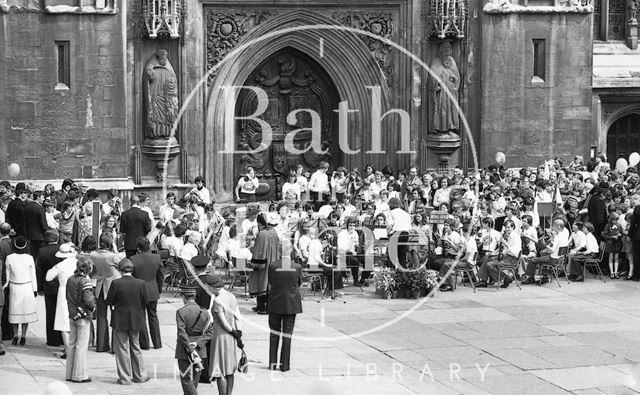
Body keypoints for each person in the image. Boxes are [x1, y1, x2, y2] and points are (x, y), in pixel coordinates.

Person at [106, 259, 149, 385]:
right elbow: (146, 301)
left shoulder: (116, 283)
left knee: (122, 349)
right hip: (136, 319)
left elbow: (109, 301)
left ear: (120, 270)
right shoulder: (141, 283)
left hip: (120, 319)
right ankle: (139, 375)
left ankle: (125, 377)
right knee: (136, 347)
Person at [267, 249, 302, 372]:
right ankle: (285, 365)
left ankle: (272, 363)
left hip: (275, 301)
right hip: (290, 303)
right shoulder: (297, 266)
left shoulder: (272, 265)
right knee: (287, 335)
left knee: (274, 334)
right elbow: (299, 283)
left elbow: (270, 281)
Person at [175, 285, 213, 395]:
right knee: (195, 378)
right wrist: (198, 343)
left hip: (185, 348)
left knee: (186, 380)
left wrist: (190, 348)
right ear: (195, 297)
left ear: (184, 297)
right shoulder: (204, 312)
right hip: (200, 349)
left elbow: (181, 332)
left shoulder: (181, 312)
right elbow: (209, 332)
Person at [207, 275, 242, 395]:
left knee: (220, 370)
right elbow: (237, 317)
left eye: (209, 288)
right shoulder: (232, 296)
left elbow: (223, 323)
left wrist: (232, 331)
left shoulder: (217, 300)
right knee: (229, 369)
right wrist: (237, 334)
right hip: (231, 337)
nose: (209, 290)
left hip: (220, 336)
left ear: (214, 287)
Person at [65, 256, 96, 383]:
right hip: (83, 316)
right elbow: (88, 300)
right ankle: (79, 375)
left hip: (72, 314)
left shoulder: (70, 279)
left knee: (71, 344)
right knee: (81, 346)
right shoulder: (85, 281)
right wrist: (93, 308)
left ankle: (69, 373)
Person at [90, 233, 122, 352]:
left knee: (101, 317)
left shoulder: (94, 255)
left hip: (100, 285)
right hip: (113, 286)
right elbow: (124, 264)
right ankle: (115, 346)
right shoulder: (113, 256)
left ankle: (101, 345)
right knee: (115, 317)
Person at [46, 243, 78, 358]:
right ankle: (73, 347)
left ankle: (67, 348)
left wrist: (57, 277)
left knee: (63, 320)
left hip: (63, 291)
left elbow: (48, 277)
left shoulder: (60, 265)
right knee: (75, 319)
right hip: (76, 291)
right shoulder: (77, 263)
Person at [4, 236, 38, 345]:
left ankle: (15, 335)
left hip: (15, 287)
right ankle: (23, 335)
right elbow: (33, 276)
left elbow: (7, 276)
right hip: (27, 287)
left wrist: (5, 286)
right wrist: (35, 289)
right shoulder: (29, 258)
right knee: (25, 312)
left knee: (14, 312)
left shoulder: (9, 257)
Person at [131, 237, 163, 350]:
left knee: (141, 317)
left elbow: (132, 277)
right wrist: (159, 289)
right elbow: (160, 276)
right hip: (152, 288)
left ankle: (144, 344)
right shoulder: (157, 258)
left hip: (139, 291)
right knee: (153, 316)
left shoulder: (133, 259)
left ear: (138, 248)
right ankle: (157, 343)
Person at [36, 230, 63, 347]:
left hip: (48, 285)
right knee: (62, 312)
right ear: (56, 238)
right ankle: (62, 338)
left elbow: (39, 271)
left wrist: (39, 287)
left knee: (50, 312)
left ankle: (52, 339)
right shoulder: (62, 250)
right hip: (61, 284)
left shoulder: (42, 251)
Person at [249, 213, 280, 315]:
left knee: (262, 283)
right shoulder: (273, 232)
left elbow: (259, 249)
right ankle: (261, 305)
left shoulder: (262, 234)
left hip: (264, 262)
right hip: (273, 261)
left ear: (259, 223)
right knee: (268, 284)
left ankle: (264, 307)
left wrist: (254, 259)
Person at [439, 223, 477, 291]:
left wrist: (457, 261)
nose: (461, 233)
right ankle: (443, 282)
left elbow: (466, 258)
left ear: (466, 232)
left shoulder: (470, 242)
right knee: (446, 262)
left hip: (468, 264)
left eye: (462, 231)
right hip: (469, 262)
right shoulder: (470, 240)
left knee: (446, 265)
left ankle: (448, 285)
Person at [24, 190, 48, 259]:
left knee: (33, 256)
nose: (43, 199)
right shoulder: (40, 208)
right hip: (41, 236)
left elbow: (25, 222)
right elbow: (43, 223)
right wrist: (47, 232)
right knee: (41, 256)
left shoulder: (27, 207)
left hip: (30, 236)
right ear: (38, 197)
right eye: (42, 197)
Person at [0, 223, 13, 343]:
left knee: (4, 306)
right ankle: (10, 331)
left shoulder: (1, 244)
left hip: (3, 277)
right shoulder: (12, 243)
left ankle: (6, 332)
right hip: (12, 277)